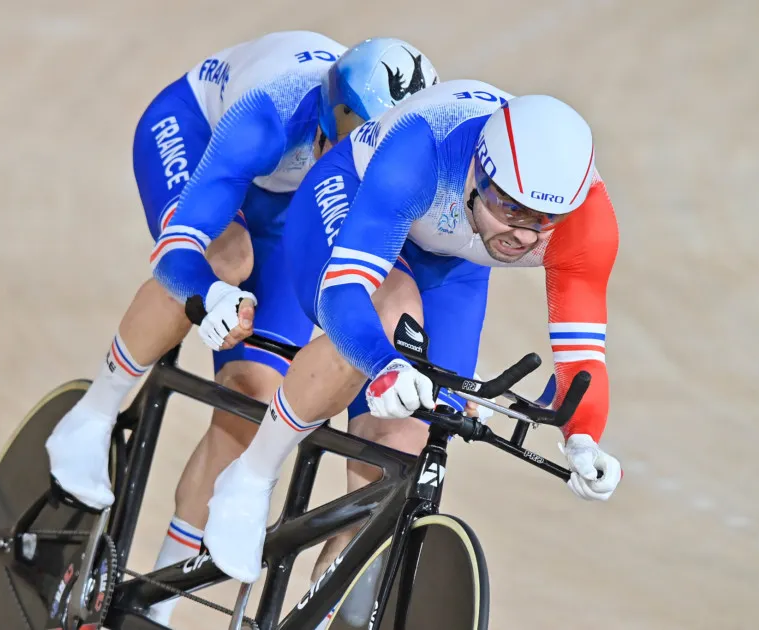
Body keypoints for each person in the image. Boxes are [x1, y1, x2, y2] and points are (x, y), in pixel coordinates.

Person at [43, 30, 438, 624]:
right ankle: (93, 414)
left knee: (248, 398)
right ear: (336, 116)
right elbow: (179, 252)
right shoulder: (268, 117)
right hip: (197, 139)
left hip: (278, 200)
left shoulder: (377, 158)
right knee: (225, 256)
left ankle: (157, 605)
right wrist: (210, 294)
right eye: (364, 143)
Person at [201, 79, 625, 587]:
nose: (525, 235)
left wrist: (582, 437)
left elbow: (583, 355)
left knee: (404, 442)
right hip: (357, 198)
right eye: (511, 208)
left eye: (546, 220)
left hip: (453, 254)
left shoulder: (588, 220)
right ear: (478, 173)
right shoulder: (422, 150)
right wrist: (383, 366)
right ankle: (249, 477)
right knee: (387, 316)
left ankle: (326, 605)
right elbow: (344, 295)